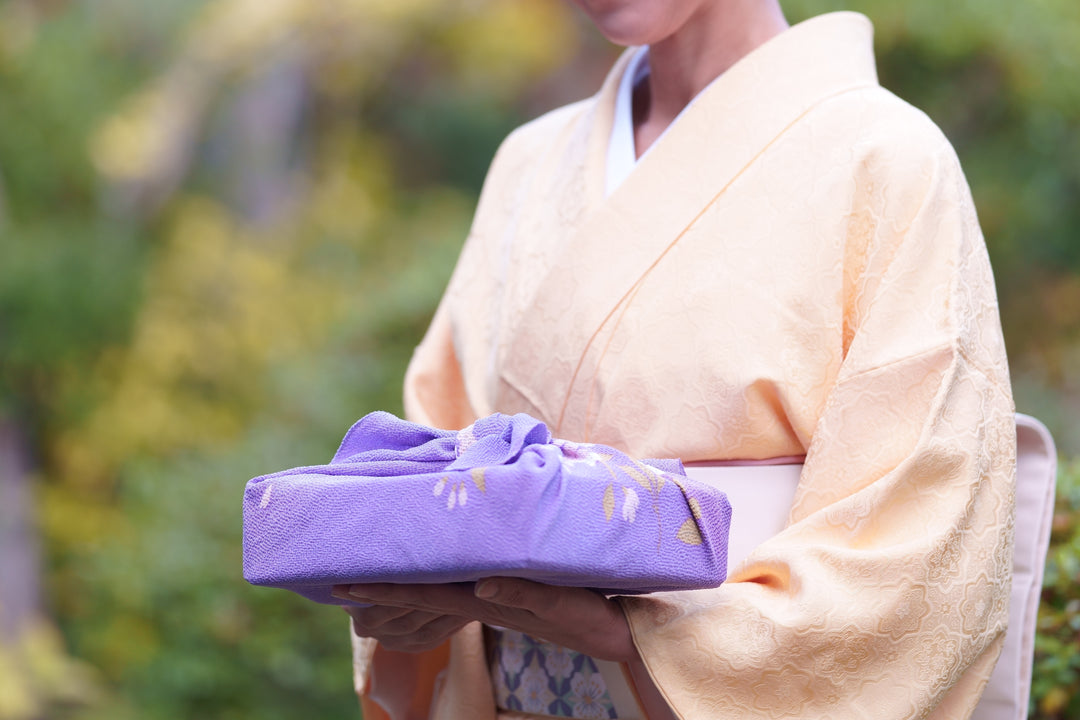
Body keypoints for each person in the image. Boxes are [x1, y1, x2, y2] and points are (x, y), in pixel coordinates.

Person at [331, 1, 1016, 718]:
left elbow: (919, 528)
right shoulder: (529, 164)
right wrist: (418, 592)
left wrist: (648, 635)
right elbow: (441, 444)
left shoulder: (889, 156)